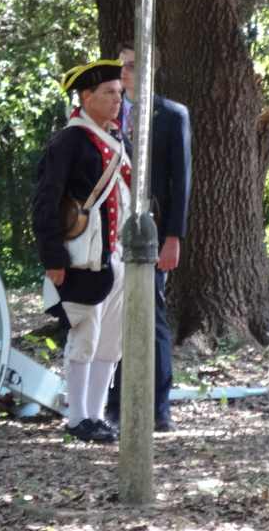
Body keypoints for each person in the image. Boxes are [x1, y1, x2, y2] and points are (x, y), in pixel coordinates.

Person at [32, 59, 132, 443]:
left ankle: (96, 416)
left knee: (111, 340)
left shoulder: (119, 141)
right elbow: (46, 201)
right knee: (85, 336)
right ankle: (77, 419)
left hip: (117, 255)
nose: (118, 100)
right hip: (83, 258)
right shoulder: (68, 141)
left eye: (119, 93)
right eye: (109, 93)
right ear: (86, 96)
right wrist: (53, 257)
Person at [105, 43, 192, 433]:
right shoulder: (106, 113)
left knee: (152, 315)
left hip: (153, 230)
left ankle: (159, 407)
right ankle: (115, 405)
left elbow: (181, 182)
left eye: (133, 65)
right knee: (113, 314)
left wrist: (173, 237)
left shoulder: (172, 115)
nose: (124, 71)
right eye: (121, 65)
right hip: (109, 232)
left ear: (152, 68)